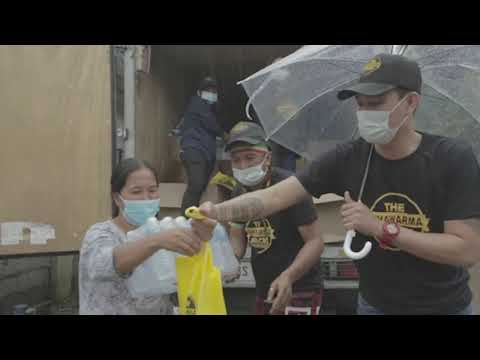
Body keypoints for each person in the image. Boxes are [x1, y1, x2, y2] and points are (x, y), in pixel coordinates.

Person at [198, 54, 480, 315]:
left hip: (444, 307)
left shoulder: (452, 158)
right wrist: (216, 212)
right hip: (374, 306)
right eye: (360, 104)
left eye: (377, 102)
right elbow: (272, 198)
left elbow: (466, 251)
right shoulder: (349, 157)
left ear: (410, 103)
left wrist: (382, 229)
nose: (366, 112)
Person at [194, 121, 324, 315]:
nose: (243, 165)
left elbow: (315, 242)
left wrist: (288, 276)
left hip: (298, 288)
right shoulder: (238, 191)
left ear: (268, 157)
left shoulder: (291, 187)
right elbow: (238, 235)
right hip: (264, 289)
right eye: (236, 160)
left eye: (250, 157)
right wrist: (231, 261)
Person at [79, 159, 213, 315]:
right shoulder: (100, 234)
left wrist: (204, 235)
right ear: (117, 199)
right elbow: (105, 265)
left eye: (152, 190)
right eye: (136, 192)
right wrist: (156, 241)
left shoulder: (163, 230)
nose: (146, 198)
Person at [180, 76, 225, 215]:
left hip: (205, 153)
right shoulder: (197, 103)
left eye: (213, 90)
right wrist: (226, 135)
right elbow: (210, 124)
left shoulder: (209, 108)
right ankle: (185, 220)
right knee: (196, 185)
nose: (211, 93)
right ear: (199, 93)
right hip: (194, 150)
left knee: (200, 187)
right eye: (207, 90)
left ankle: (194, 216)